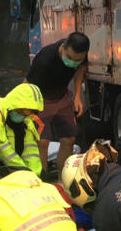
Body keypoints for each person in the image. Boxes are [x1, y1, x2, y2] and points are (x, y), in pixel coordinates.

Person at [26, 32, 89, 173]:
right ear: (63, 48)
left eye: (77, 59)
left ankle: (63, 180)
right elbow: (27, 85)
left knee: (69, 139)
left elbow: (81, 69)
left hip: (63, 97)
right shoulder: (45, 60)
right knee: (42, 142)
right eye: (70, 57)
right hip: (41, 100)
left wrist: (78, 96)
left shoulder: (80, 54)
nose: (73, 61)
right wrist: (26, 110)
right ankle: (42, 180)